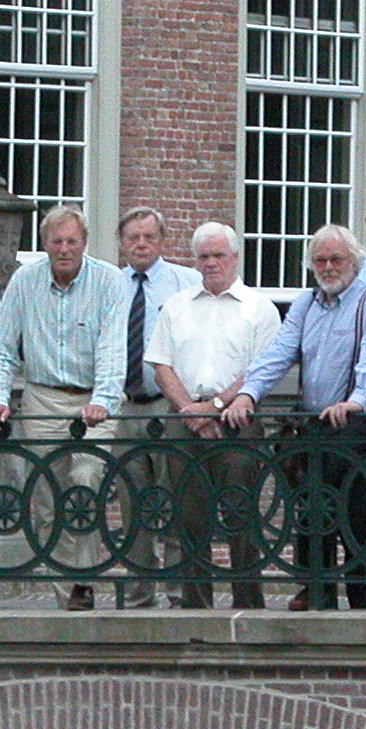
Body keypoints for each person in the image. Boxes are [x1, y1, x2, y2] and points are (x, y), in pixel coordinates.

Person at [223, 224, 366, 611]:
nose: (328, 267)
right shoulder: (307, 304)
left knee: (355, 511)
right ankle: (315, 588)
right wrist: (248, 393)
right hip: (315, 421)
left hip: (358, 419)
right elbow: (278, 353)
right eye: (320, 261)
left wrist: (357, 400)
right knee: (309, 502)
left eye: (336, 259)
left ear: (354, 262)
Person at [0, 205, 130, 611]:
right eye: (57, 241)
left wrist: (103, 400)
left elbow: (113, 347)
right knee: (47, 498)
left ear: (84, 243)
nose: (65, 249)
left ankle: (83, 581)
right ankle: (66, 592)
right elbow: (1, 348)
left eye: (72, 241)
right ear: (44, 244)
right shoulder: (24, 282)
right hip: (43, 396)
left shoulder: (108, 281)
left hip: (92, 398)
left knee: (85, 483)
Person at [147, 221, 280, 609]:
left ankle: (248, 604)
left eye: (219, 255)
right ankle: (196, 608)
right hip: (185, 421)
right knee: (189, 520)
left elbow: (260, 370)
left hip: (238, 423)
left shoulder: (259, 308)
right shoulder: (177, 305)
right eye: (204, 256)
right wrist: (189, 411)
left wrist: (215, 408)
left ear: (235, 258)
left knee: (241, 516)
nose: (211, 263)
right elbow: (161, 365)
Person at [112, 206, 201, 607]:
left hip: (171, 404)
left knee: (176, 494)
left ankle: (179, 590)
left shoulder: (187, 283)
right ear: (122, 243)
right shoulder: (111, 285)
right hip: (125, 406)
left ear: (163, 241)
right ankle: (138, 591)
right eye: (133, 237)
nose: (141, 244)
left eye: (149, 236)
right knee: (132, 502)